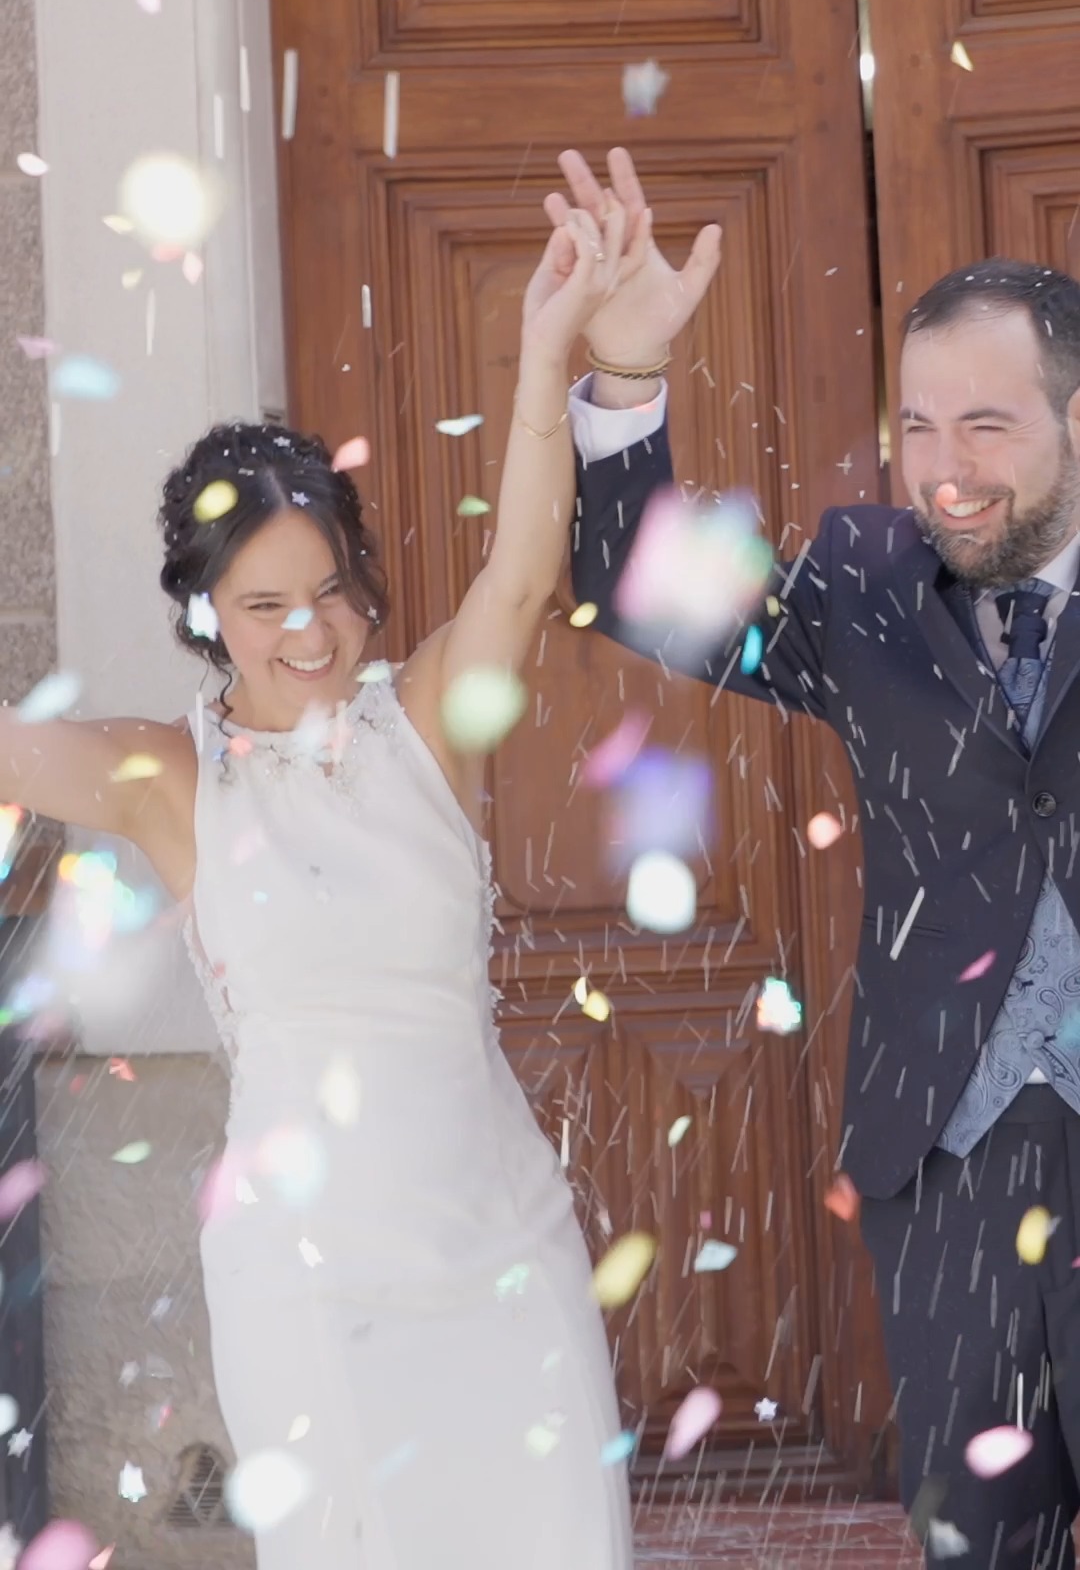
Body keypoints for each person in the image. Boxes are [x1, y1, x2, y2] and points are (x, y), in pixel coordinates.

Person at [1, 206, 636, 1568]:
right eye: (262, 606)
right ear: (202, 618)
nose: (309, 631)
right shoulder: (169, 780)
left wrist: (546, 350)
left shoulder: (425, 722)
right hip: (309, 1276)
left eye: (332, 589)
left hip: (501, 1248)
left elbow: (526, 574)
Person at [560, 146, 1080, 1569]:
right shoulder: (862, 575)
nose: (944, 470)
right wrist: (625, 379)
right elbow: (642, 596)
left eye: (987, 424)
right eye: (918, 426)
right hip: (948, 1158)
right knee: (981, 1542)